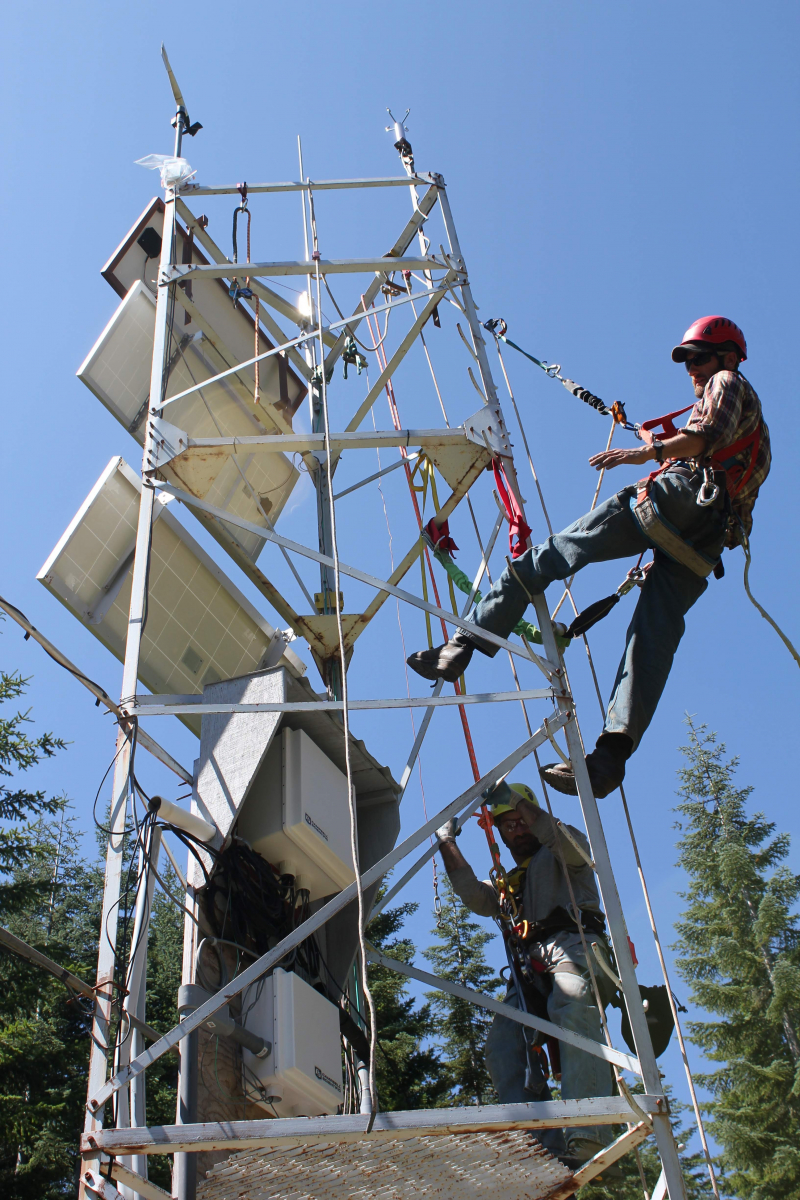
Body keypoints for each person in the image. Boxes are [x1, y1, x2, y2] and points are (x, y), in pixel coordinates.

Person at [410, 316, 771, 798]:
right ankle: (609, 760)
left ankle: (463, 646)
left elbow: (703, 438)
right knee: (652, 641)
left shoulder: (727, 383)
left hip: (680, 498)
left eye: (698, 357)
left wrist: (646, 454)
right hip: (704, 542)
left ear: (728, 357)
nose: (692, 369)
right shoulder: (760, 435)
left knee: (551, 557)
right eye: (687, 360)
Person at [436, 780, 615, 1168]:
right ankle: (542, 1148)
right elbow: (473, 894)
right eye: (507, 825)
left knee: (573, 1004)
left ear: (534, 818)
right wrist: (446, 841)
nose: (516, 829)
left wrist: (514, 799)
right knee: (502, 1047)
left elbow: (564, 843)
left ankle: (590, 1131)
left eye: (520, 820)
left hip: (574, 945)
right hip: (530, 970)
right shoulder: (509, 883)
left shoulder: (565, 851)